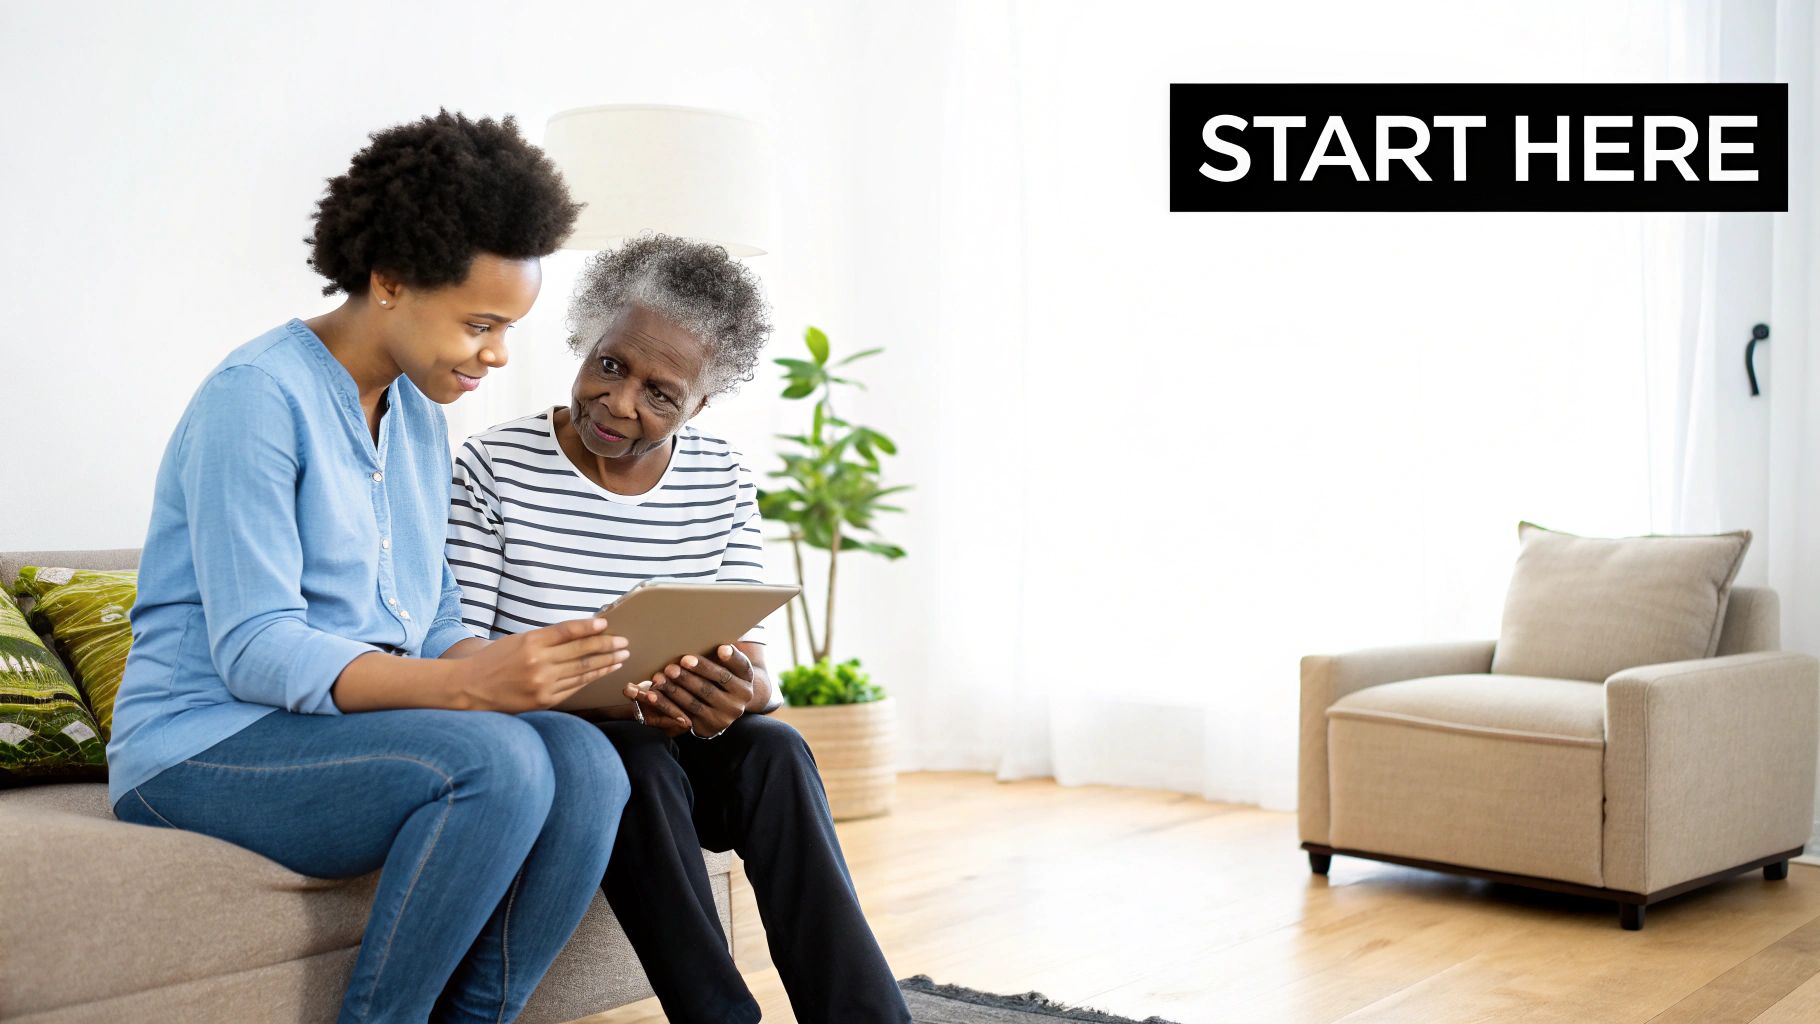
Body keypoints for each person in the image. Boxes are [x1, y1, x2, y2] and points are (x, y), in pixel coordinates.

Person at [107, 111, 636, 1023]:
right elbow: (259, 649)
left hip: (319, 731)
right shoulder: (258, 398)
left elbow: (426, 623)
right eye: (480, 323)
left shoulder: (419, 416)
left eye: (509, 327)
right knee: (496, 762)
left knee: (589, 763)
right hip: (199, 744)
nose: (498, 355)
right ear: (389, 282)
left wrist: (529, 664)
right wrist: (465, 692)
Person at [446, 233, 911, 1024]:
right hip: (576, 754)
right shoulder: (493, 467)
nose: (622, 402)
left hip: (680, 745)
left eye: (663, 394)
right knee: (636, 758)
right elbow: (458, 659)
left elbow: (759, 674)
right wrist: (598, 697)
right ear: (586, 340)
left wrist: (736, 693)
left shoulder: (721, 477)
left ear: (702, 403)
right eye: (611, 365)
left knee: (778, 748)